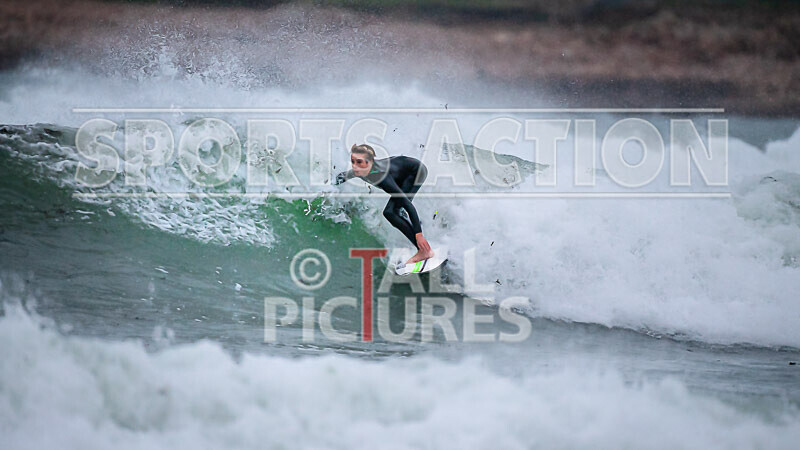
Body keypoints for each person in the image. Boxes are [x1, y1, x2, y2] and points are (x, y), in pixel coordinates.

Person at [334, 144, 434, 265]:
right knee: (398, 210)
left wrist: (419, 235)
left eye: (359, 162)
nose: (355, 166)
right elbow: (342, 176)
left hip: (415, 172)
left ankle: (424, 250)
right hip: (401, 170)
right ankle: (420, 227)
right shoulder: (360, 170)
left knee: (391, 212)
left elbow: (408, 205)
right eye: (353, 162)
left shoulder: (381, 177)